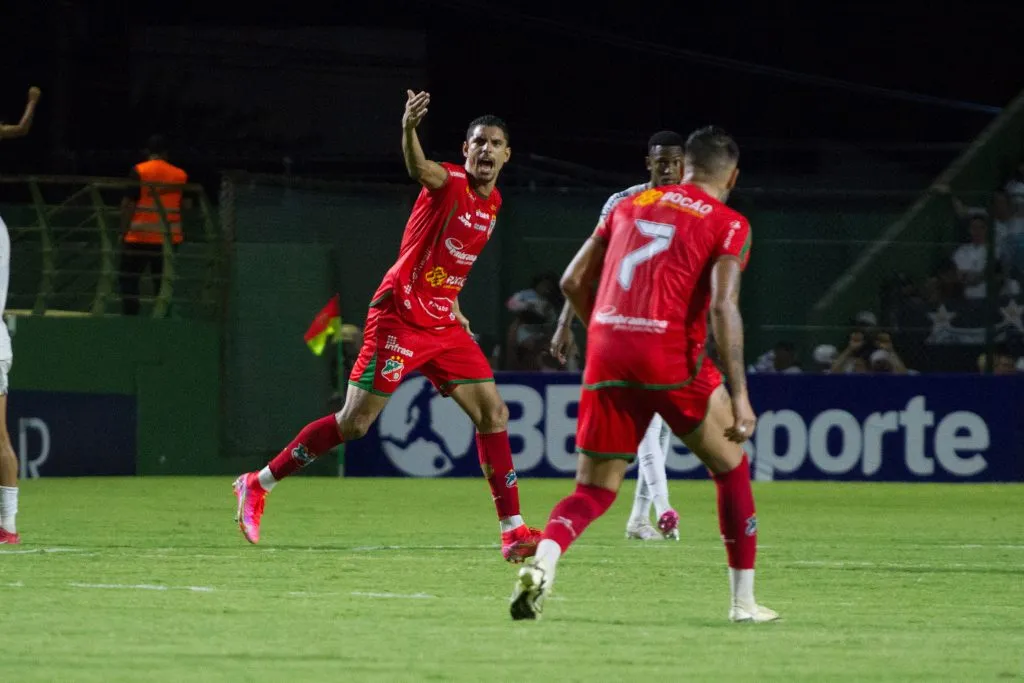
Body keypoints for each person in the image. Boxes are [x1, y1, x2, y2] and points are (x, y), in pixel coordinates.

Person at [234, 91, 543, 562]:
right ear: (465, 150)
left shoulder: (494, 203)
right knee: (354, 425)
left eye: (494, 143)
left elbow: (448, 257)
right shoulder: (448, 180)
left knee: (493, 415)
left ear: (506, 154)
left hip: (442, 324)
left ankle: (513, 531)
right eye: (478, 142)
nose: (485, 150)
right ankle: (257, 483)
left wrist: (453, 301)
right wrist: (408, 129)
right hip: (399, 316)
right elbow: (419, 168)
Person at [511, 126, 777, 622]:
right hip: (669, 354)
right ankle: (743, 604)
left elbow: (571, 281)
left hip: (607, 349)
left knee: (592, 490)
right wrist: (740, 395)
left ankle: (543, 563)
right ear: (733, 176)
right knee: (731, 465)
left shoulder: (627, 205)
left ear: (686, 164)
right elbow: (724, 306)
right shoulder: (729, 223)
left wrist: (610, 333)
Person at [550, 131, 685, 542]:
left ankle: (638, 519)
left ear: (684, 165)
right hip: (623, 325)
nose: (667, 168)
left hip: (665, 328)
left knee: (660, 427)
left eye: (674, 161)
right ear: (648, 162)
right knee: (645, 422)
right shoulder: (622, 203)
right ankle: (664, 510)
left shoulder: (692, 209)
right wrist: (564, 324)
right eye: (660, 160)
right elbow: (587, 270)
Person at [0, 85, 41, 544]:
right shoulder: (4, 230)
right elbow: (21, 129)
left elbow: (19, 129)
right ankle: (7, 528)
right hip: (0, 344)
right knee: (2, 440)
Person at [119, 135, 188, 315]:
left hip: (139, 235)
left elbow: (129, 204)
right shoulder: (180, 174)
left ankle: (131, 315)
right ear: (167, 152)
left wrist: (122, 232)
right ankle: (162, 316)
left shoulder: (139, 170)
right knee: (163, 281)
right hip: (168, 237)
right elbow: (185, 205)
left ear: (147, 151)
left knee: (129, 278)